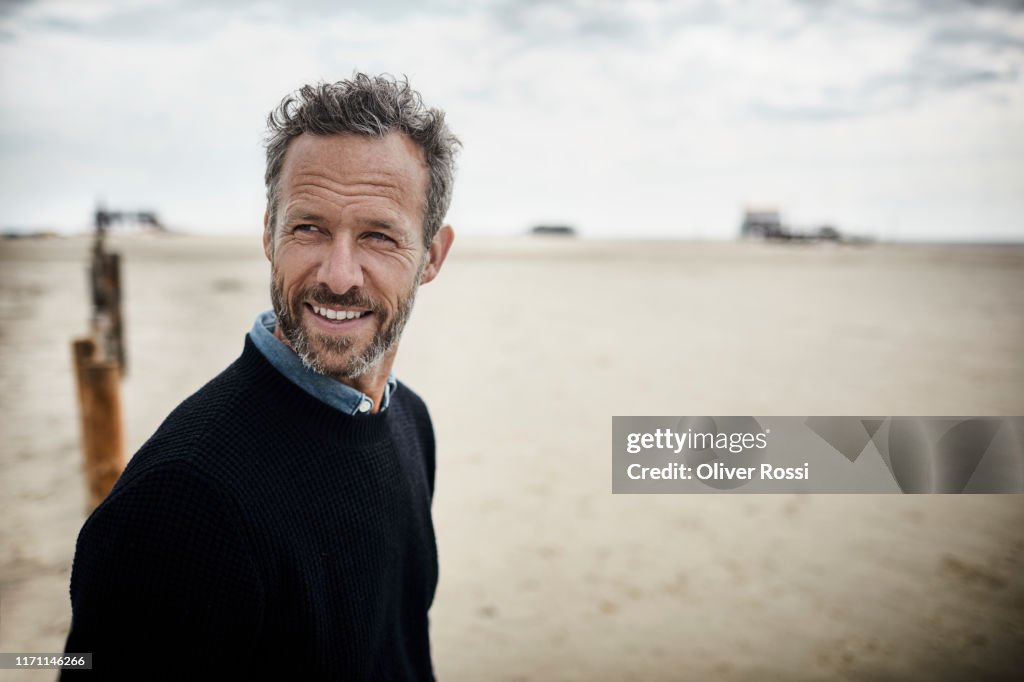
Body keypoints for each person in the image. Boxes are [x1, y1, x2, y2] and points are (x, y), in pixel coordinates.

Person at [62, 73, 458, 680]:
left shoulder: (408, 422)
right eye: (310, 228)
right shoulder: (180, 504)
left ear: (432, 255)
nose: (340, 274)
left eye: (379, 236)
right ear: (268, 232)